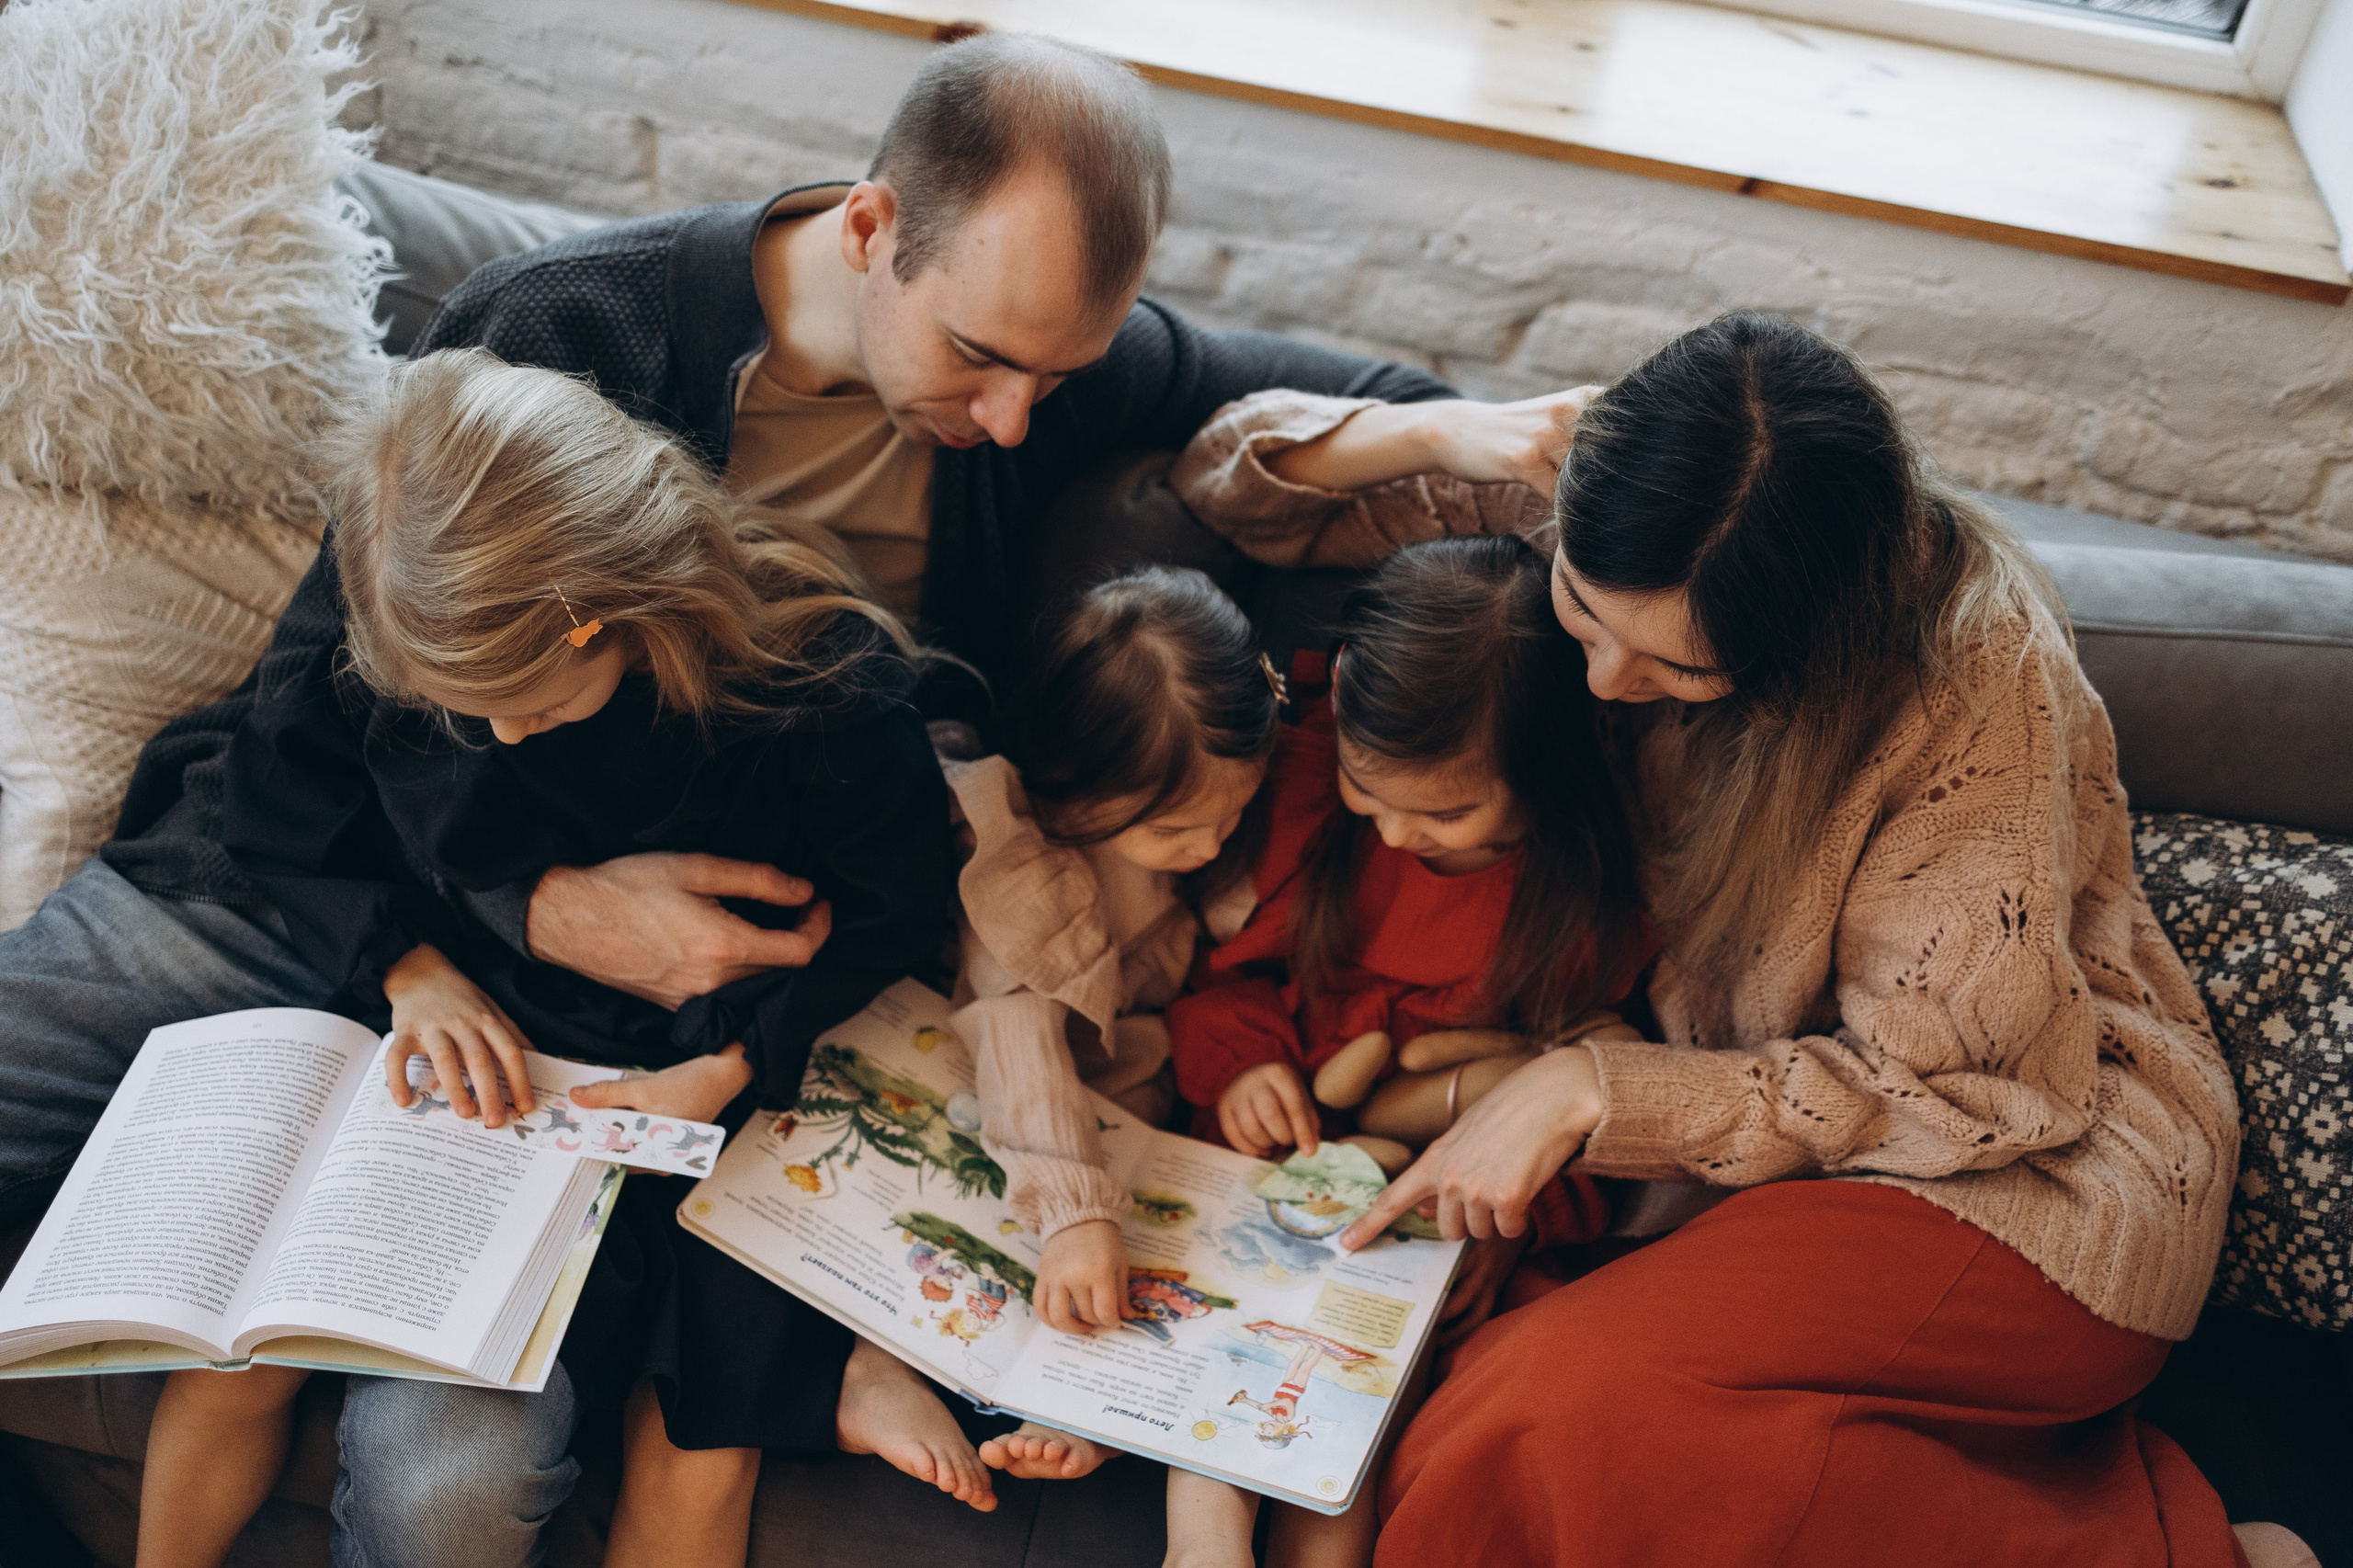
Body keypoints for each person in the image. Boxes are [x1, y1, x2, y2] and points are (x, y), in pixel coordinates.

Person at [0, 28, 1567, 1561]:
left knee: (449, 1467)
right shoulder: (558, 337)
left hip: (648, 1018)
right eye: (983, 359)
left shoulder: (1020, 385)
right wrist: (501, 914)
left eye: (1058, 373)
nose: (1020, 413)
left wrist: (1451, 431)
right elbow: (326, 705)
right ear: (873, 227)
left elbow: (1293, 394)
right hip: (333, 871)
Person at [1169, 313, 2245, 1565]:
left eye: (1679, 672)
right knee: (1466, 1419)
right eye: (1580, 613)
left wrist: (1588, 1088)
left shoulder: (1968, 691)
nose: (1605, 683)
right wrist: (1453, 430)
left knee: (1544, 1425)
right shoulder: (1583, 498)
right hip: (1742, 1171)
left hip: (2015, 1169)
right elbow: (1220, 482)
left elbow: (1955, 1088)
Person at [129, 350, 979, 1568]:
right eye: (453, 709)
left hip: (663, 1088)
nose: (489, 736)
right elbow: (288, 792)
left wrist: (732, 1064)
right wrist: (408, 967)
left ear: (606, 608)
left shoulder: (822, 691)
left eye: (517, 704)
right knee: (236, 1342)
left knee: (559, 1439)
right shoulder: (428, 636)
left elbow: (893, 918)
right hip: (433, 1039)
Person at [1158, 535, 1644, 1568]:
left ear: (1548, 772)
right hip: (1275, 1153)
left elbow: (1585, 1101)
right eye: (1366, 791)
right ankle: (1203, 1538)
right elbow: (1222, 987)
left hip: (1443, 1190)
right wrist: (1246, 1067)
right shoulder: (1310, 810)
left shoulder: (1584, 898)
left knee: (1373, 1373)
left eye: (1446, 812)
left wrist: (1507, 1226)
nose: (1393, 834)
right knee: (1230, 1292)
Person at [926, 564, 1280, 1487]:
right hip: (1014, 1118)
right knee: (1024, 1252)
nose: (1207, 846)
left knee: (1155, 1284)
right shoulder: (1025, 874)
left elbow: (1208, 911)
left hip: (1134, 1101)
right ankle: (902, 1375)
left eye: (1230, 813)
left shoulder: (1185, 830)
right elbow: (1021, 1053)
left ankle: (1097, 1404)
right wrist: (1075, 1214)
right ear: (1079, 799)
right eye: (1178, 833)